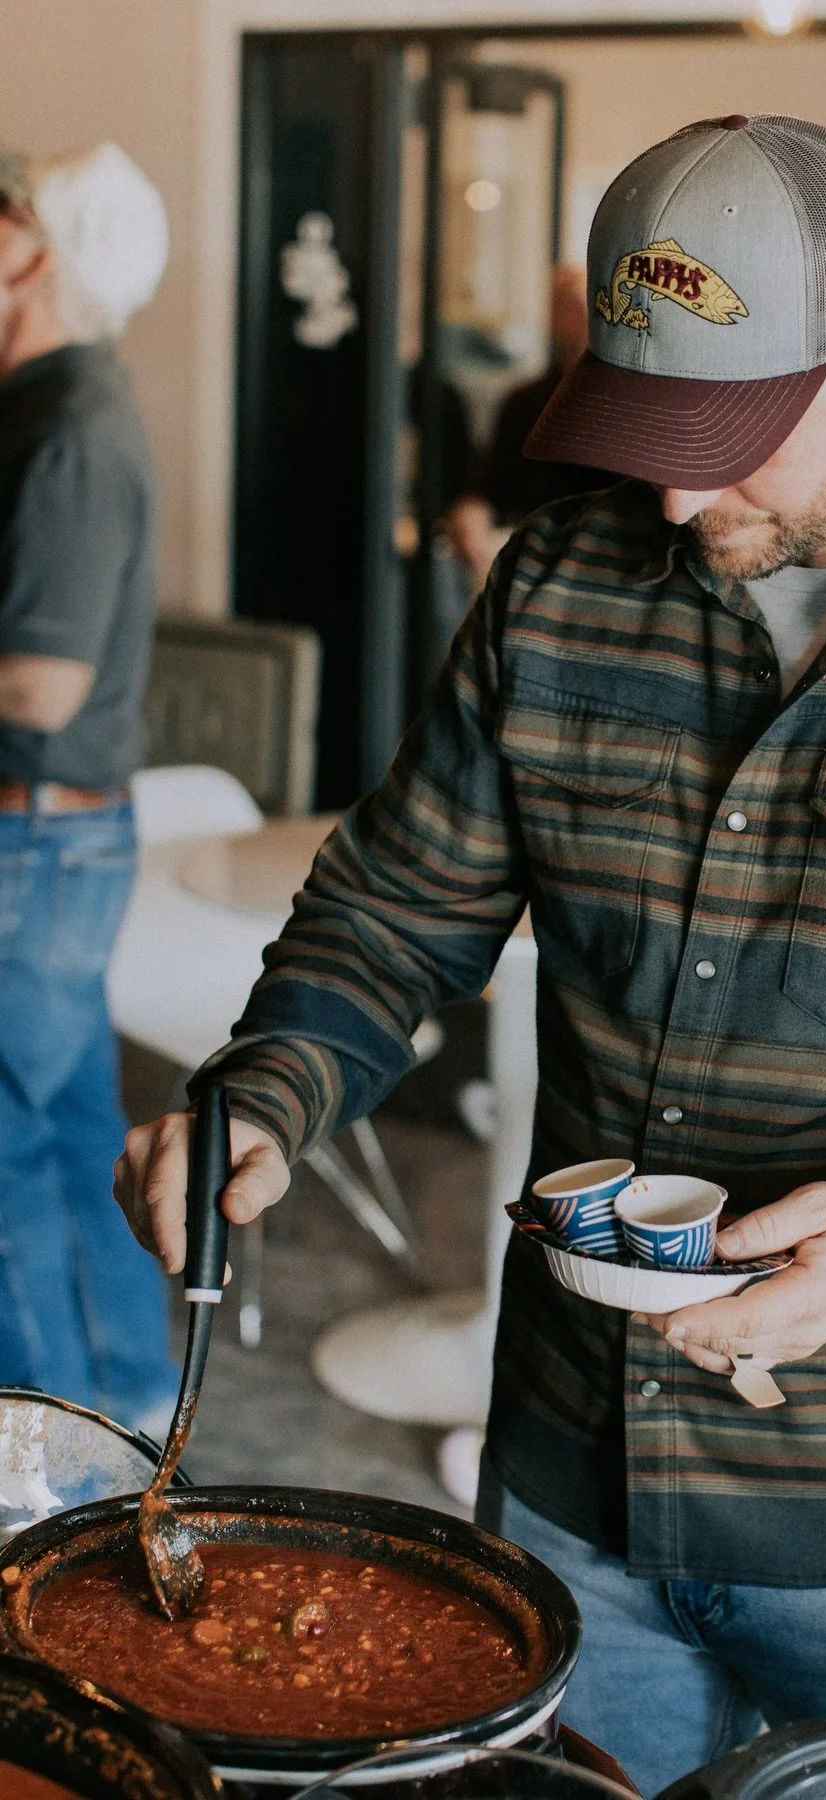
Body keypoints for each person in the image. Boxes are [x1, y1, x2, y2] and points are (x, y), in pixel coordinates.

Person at [116, 116, 826, 1794]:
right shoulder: (557, 588)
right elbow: (395, 910)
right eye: (645, 424)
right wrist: (275, 1088)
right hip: (574, 1484)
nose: (671, 488)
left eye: (728, 434)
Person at [0, 143, 176, 1431]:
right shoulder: (56, 402)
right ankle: (121, 1415)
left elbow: (38, 689)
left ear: (33, 254)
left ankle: (41, 1473)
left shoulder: (71, 424)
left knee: (10, 1162)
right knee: (68, 1143)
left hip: (33, 844)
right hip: (54, 843)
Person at [448, 265, 600, 592]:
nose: (580, 315)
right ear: (552, 316)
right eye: (569, 304)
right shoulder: (523, 403)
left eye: (587, 302)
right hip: (529, 564)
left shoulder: (626, 406)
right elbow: (486, 487)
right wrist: (471, 516)